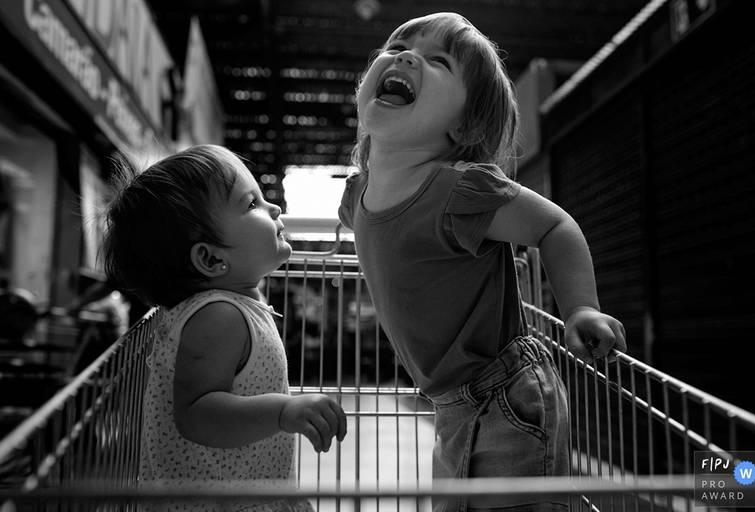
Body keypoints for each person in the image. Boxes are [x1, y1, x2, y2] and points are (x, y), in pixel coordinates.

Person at [338, 12, 627, 512]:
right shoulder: (355, 197)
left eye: (438, 61)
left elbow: (555, 226)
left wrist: (581, 307)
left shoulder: (460, 190)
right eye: (398, 45)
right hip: (449, 404)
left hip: (506, 397)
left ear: (465, 123)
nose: (406, 56)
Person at [103, 144, 347, 511]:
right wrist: (283, 412)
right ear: (212, 258)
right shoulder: (218, 316)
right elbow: (196, 413)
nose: (274, 208)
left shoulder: (232, 306)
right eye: (252, 204)